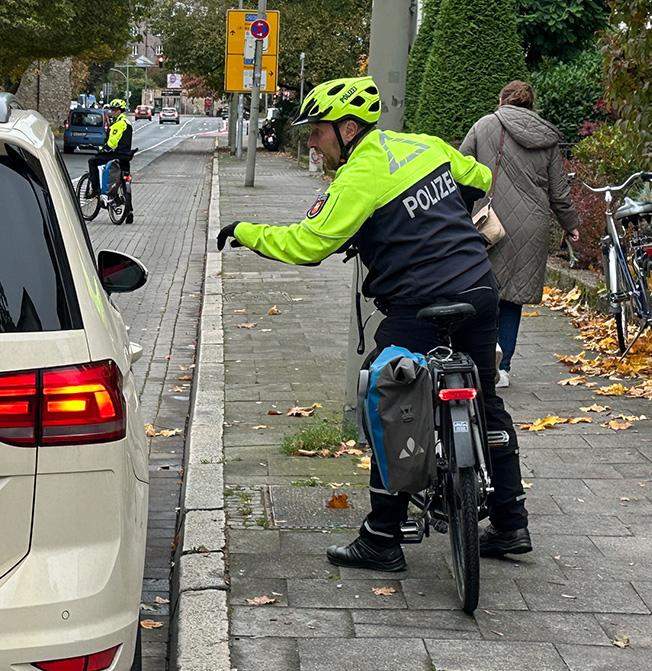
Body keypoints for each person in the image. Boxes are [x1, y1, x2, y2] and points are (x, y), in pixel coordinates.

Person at [217, 75, 532, 569]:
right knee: (487, 400)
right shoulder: (424, 145)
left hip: (417, 305)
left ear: (346, 129)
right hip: (478, 289)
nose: (311, 142)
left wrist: (245, 231)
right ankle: (511, 523)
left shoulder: (358, 177)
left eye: (316, 131)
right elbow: (480, 180)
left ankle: (382, 536)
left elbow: (309, 243)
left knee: (390, 393)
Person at [461, 80, 580, 388]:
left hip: (488, 221)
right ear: (530, 104)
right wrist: (570, 224)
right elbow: (558, 190)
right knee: (513, 297)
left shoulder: (484, 125)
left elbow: (459, 169)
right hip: (532, 226)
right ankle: (504, 368)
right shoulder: (547, 135)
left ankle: (481, 355)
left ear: (502, 100)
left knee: (480, 289)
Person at [87, 99, 134, 204]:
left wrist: (104, 149)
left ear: (121, 111)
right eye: (112, 110)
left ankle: (95, 189)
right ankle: (129, 211)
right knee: (124, 178)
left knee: (92, 161)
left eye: (115, 110)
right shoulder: (127, 123)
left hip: (115, 154)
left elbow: (112, 142)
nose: (113, 112)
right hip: (126, 155)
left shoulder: (119, 124)